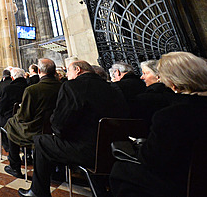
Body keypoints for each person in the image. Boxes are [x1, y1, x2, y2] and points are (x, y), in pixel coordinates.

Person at [18, 60, 128, 197]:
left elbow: (60, 125)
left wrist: (58, 130)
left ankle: (38, 192)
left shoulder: (72, 86)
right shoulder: (113, 88)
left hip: (86, 151)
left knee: (41, 141)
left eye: (68, 71)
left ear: (77, 70)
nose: (67, 75)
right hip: (114, 150)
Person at [110, 52, 207, 197]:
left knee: (121, 170)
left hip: (185, 183)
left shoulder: (171, 116)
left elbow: (152, 160)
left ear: (172, 83)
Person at [3, 59, 61, 179]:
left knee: (11, 124)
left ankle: (15, 166)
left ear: (39, 71)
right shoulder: (63, 87)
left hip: (35, 130)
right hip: (55, 129)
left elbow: (24, 116)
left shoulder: (32, 90)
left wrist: (16, 115)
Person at [130, 59, 174, 125]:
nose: (141, 77)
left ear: (158, 76)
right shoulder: (175, 95)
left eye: (145, 73)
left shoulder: (144, 99)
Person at [0, 67, 27, 139]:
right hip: (26, 118)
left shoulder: (8, 89)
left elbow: (2, 107)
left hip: (11, 118)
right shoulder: (29, 87)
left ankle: (7, 143)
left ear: (12, 78)